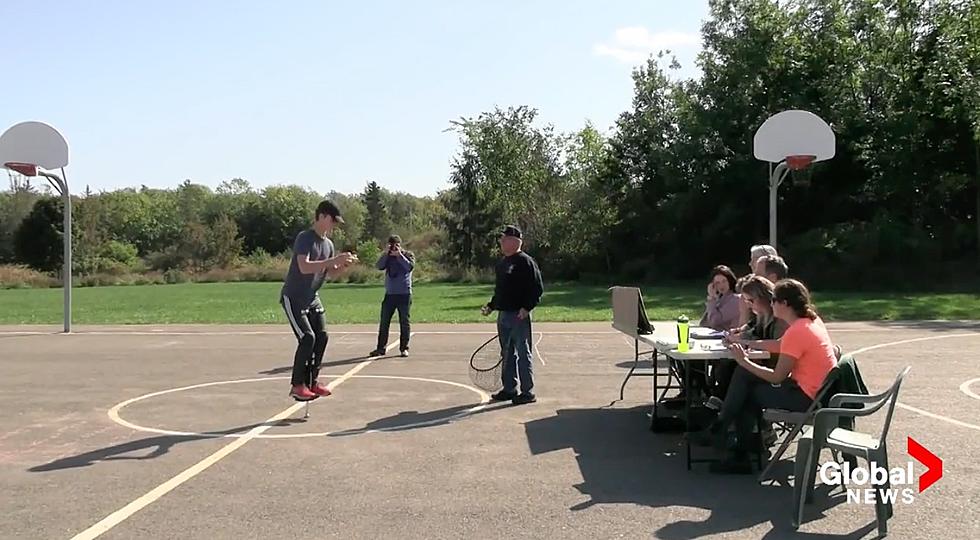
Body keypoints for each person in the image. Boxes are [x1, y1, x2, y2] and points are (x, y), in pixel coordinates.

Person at [693, 278, 838, 474]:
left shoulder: (797, 331)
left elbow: (777, 377)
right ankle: (729, 434)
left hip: (807, 398)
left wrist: (744, 360)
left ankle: (734, 447)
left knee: (747, 392)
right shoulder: (810, 322)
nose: (771, 304)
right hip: (816, 392)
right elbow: (780, 345)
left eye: (774, 300)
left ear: (785, 304)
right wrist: (750, 345)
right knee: (745, 377)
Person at [280, 200, 358, 401]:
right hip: (294, 296)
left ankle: (313, 382)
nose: (334, 226)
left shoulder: (328, 244)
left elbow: (330, 273)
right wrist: (332, 261)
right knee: (307, 338)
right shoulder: (305, 238)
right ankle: (298, 385)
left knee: (322, 336)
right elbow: (304, 267)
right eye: (332, 221)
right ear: (322, 217)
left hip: (312, 297)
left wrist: (342, 265)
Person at [481, 225, 544, 405]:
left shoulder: (526, 262)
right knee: (507, 353)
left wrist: (527, 307)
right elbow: (500, 290)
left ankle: (527, 392)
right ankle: (509, 388)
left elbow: (537, 288)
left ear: (515, 241)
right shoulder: (502, 264)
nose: (501, 241)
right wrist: (492, 306)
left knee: (523, 352)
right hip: (503, 315)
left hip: (519, 315)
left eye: (504, 238)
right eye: (501, 238)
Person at [369, 235, 415, 358]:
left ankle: (404, 348)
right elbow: (379, 266)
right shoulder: (387, 257)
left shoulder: (408, 255)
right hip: (390, 294)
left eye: (396, 245)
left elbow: (409, 267)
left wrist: (399, 256)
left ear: (400, 245)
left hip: (404, 294)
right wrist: (386, 253)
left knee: (404, 322)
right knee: (384, 322)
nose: (394, 248)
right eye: (391, 245)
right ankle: (380, 348)